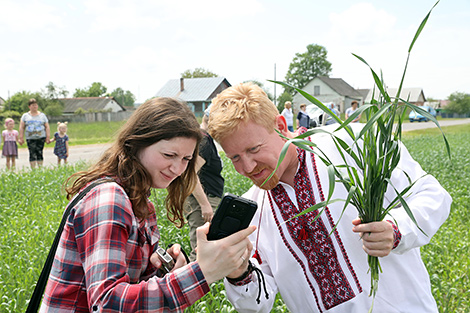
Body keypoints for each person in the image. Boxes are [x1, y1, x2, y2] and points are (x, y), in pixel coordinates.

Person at [207, 83, 452, 313]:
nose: (247, 167)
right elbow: (258, 302)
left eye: (254, 149)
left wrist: (396, 229)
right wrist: (238, 272)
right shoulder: (254, 212)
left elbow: (432, 195)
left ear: (280, 125)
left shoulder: (352, 143)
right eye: (235, 158)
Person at [40, 97, 255, 312]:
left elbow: (129, 286)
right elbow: (107, 302)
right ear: (137, 143)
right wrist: (202, 273)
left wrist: (162, 271)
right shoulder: (110, 198)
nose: (177, 168)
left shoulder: (140, 201)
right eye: (169, 155)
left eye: (186, 159)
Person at [184, 108, 225, 261]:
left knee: (204, 247)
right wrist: (205, 204)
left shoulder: (203, 138)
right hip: (201, 199)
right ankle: (191, 284)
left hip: (201, 199)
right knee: (201, 250)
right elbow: (190, 174)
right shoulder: (204, 140)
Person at [18, 98, 51, 168]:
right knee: (32, 153)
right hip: (30, 138)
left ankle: (40, 168)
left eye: (36, 105)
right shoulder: (25, 116)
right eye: (33, 105)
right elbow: (22, 127)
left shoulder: (42, 115)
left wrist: (48, 137)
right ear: (29, 106)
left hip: (41, 137)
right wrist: (21, 137)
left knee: (39, 152)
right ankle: (33, 169)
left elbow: (47, 126)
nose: (35, 107)